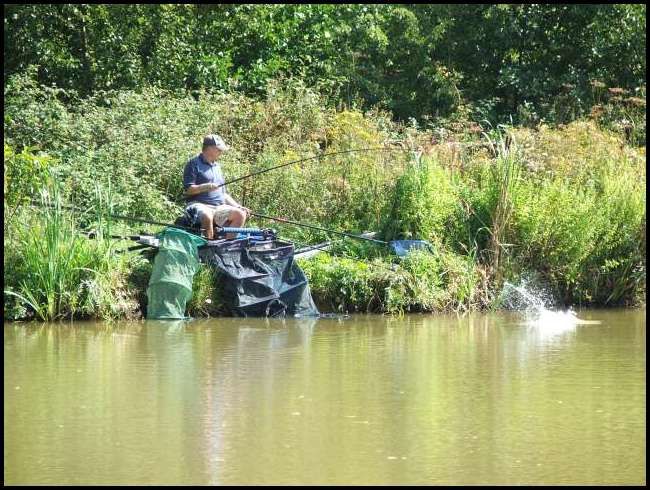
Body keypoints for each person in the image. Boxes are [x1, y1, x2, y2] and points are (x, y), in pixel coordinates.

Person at [183, 134, 251, 239]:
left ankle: (227, 247)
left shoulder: (217, 167)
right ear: (210, 149)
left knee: (240, 214)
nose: (221, 152)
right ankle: (209, 249)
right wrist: (205, 186)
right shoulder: (193, 163)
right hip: (198, 205)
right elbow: (188, 190)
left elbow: (223, 194)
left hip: (218, 207)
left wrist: (238, 206)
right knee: (207, 215)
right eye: (219, 150)